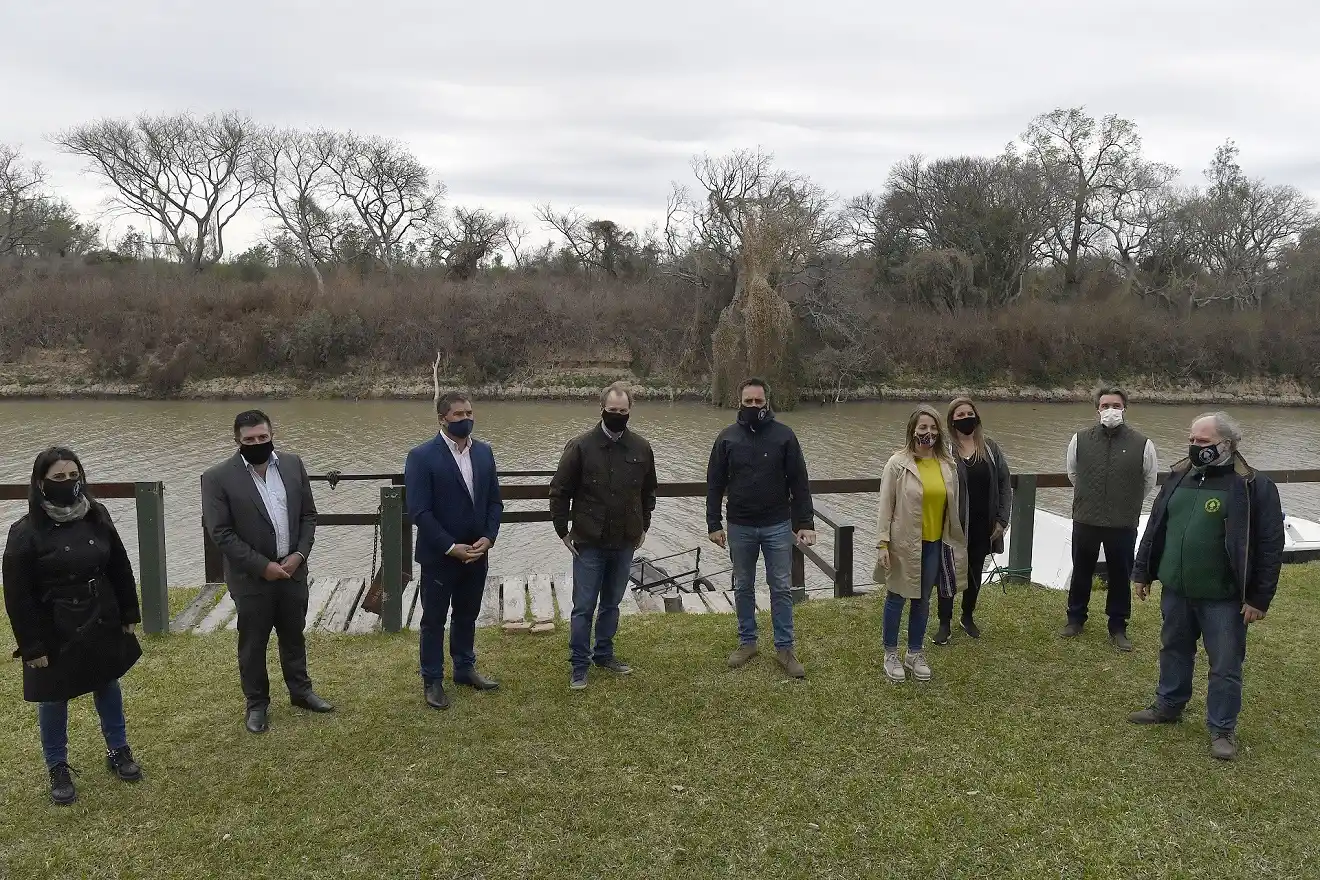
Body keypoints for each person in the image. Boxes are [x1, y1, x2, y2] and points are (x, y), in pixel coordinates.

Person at [1128, 412, 1284, 761]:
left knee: (1225, 664)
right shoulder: (1180, 474)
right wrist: (1143, 571)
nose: (1195, 447)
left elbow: (1270, 546)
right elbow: (1156, 525)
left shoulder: (1254, 486)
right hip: (1177, 590)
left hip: (1225, 598)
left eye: (1204, 442)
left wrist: (1259, 598)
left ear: (1226, 444)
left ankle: (1222, 728)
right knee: (1173, 649)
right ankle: (1168, 706)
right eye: (1192, 440)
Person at [3, 447, 144, 805]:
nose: (68, 483)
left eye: (73, 476)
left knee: (107, 682)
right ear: (41, 483)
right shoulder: (24, 532)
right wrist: (31, 646)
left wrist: (129, 611)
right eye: (58, 478)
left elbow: (119, 564)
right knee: (53, 697)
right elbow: (17, 595)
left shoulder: (97, 515)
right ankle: (58, 767)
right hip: (54, 623)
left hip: (100, 613)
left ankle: (118, 750)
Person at [201, 410, 332, 735]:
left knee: (293, 635)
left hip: (293, 572)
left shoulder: (292, 464)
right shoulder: (217, 477)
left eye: (263, 437)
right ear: (237, 441)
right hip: (251, 579)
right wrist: (264, 566)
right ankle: (257, 704)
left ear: (272, 434)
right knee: (253, 643)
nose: (257, 443)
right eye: (249, 440)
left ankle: (301, 692)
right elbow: (221, 533)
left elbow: (308, 515)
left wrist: (299, 555)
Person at [549, 382, 658, 690]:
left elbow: (649, 490)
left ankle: (604, 654)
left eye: (623, 411)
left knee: (611, 603)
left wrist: (644, 525)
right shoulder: (580, 446)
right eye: (612, 411)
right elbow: (559, 491)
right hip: (589, 541)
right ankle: (579, 665)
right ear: (602, 410)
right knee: (583, 606)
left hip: (625, 540)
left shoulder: (641, 447)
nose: (617, 416)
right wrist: (562, 530)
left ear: (630, 411)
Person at [706, 377, 815, 679]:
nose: (754, 406)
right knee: (743, 586)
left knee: (780, 587)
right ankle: (747, 642)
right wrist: (713, 523)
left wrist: (804, 521)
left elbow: (799, 481)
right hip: (739, 525)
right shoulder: (726, 438)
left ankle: (785, 648)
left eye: (759, 401)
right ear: (739, 402)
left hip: (777, 525)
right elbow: (714, 484)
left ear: (767, 401)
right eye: (748, 401)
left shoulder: (784, 436)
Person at [404, 391, 504, 710]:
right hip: (440, 556)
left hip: (477, 553)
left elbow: (494, 502)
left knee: (467, 614)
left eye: (469, 413)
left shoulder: (485, 453)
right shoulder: (421, 456)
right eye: (458, 415)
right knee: (434, 620)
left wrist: (488, 538)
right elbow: (419, 511)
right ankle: (432, 679)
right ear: (442, 418)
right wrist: (450, 547)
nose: (466, 419)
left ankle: (464, 667)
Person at [875, 405, 968, 683]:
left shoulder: (946, 465)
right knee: (896, 597)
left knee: (923, 599)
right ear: (912, 430)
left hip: (935, 543)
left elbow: (952, 507)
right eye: (922, 428)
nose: (928, 433)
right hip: (903, 543)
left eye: (932, 428)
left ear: (939, 431)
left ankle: (914, 653)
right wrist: (882, 544)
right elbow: (885, 506)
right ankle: (890, 653)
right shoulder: (897, 464)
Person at [1062, 386, 1159, 651]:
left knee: (1120, 575)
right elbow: (1073, 473)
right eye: (1105, 406)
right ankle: (1075, 618)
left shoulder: (1143, 443)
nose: (1110, 410)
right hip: (1086, 519)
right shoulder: (1079, 439)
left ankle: (1118, 626)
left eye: (1115, 405)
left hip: (1122, 522)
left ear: (1125, 408)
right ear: (1097, 410)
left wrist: (1125, 500)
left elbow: (1149, 480)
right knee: (1081, 571)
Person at [935, 397, 1012, 644]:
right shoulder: (944, 449)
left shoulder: (989, 447)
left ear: (976, 416)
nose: (965, 418)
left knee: (974, 573)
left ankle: (967, 616)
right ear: (951, 420)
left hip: (983, 525)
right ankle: (944, 623)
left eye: (969, 413)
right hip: (953, 525)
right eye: (959, 415)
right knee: (947, 574)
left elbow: (1004, 484)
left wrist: (1001, 520)